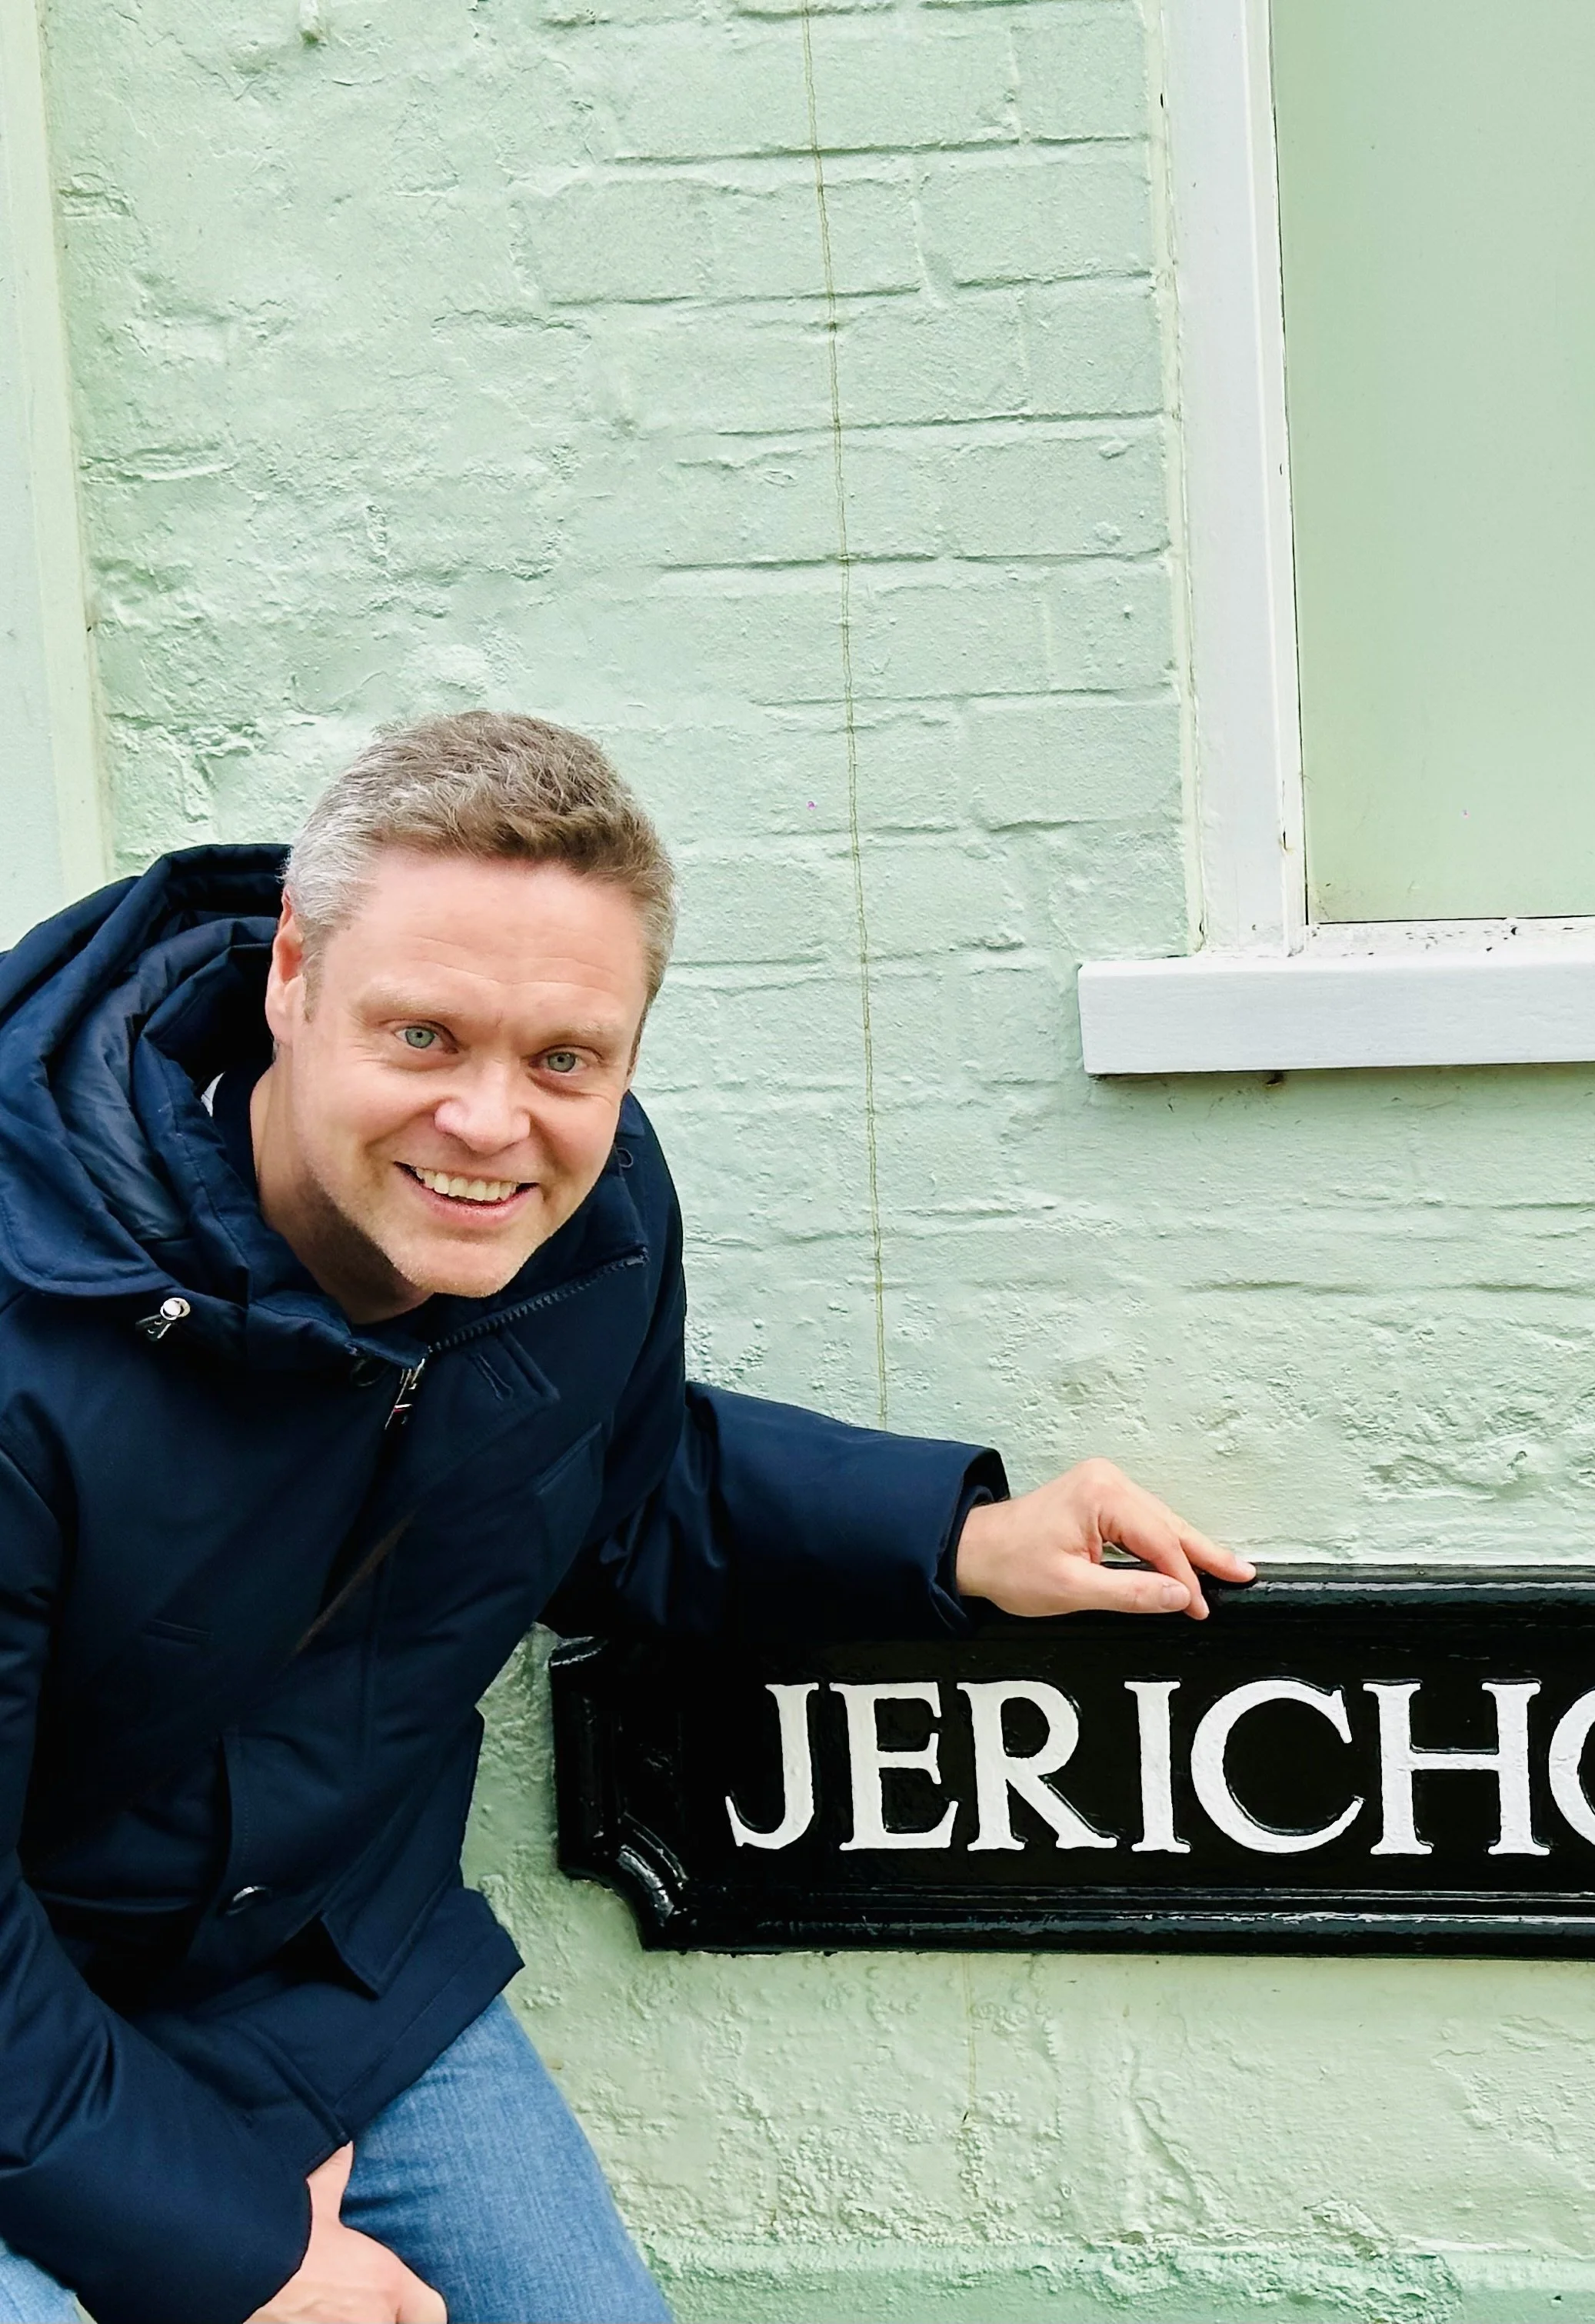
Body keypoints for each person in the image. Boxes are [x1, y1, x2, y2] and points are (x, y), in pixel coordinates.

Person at [0, 712, 1252, 2324]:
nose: (490, 1125)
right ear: (293, 977)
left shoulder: (583, 1228)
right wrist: (241, 2250)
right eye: (425, 1038)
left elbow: (614, 1478)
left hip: (328, 1969)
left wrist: (956, 1538)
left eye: (563, 1059)